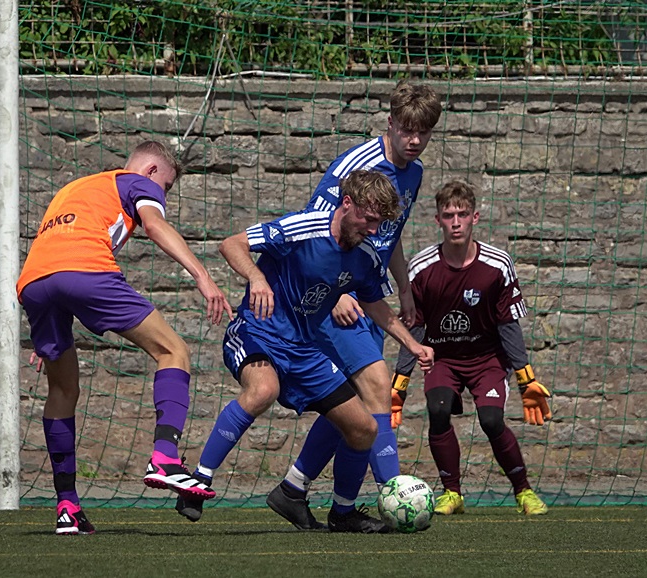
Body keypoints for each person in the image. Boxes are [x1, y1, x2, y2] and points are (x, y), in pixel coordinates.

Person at [177, 170, 434, 533]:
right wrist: (257, 277)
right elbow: (231, 244)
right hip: (258, 332)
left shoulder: (365, 255)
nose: (374, 230)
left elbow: (374, 303)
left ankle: (342, 512)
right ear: (347, 204)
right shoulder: (303, 227)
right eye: (368, 219)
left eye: (380, 223)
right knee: (264, 390)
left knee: (363, 428)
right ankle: (197, 482)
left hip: (304, 351)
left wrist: (412, 344)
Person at [17, 140, 233, 535]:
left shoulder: (77, 188)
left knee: (62, 389)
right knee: (173, 351)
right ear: (151, 171)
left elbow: (56, 252)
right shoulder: (137, 182)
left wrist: (46, 326)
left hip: (34, 283)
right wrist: (203, 277)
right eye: (166, 186)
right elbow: (155, 225)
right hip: (84, 270)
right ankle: (165, 457)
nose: (163, 194)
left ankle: (67, 506)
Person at [266, 81, 442, 530]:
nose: (414, 140)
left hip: (368, 292)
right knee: (377, 385)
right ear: (390, 123)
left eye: (423, 132)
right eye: (407, 130)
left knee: (353, 401)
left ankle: (295, 490)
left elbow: (391, 235)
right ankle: (394, 496)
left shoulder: (414, 173)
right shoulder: (355, 164)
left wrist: (404, 287)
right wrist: (338, 291)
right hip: (338, 296)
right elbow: (321, 230)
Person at [392, 181, 551, 516]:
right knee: (438, 411)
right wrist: (399, 384)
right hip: (442, 359)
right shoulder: (420, 268)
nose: (456, 222)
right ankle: (452, 493)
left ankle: (523, 491)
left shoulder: (498, 265)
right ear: (437, 219)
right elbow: (414, 327)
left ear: (475, 217)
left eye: (462, 214)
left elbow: (508, 325)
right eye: (448, 215)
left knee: (491, 420)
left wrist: (526, 379)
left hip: (487, 359)